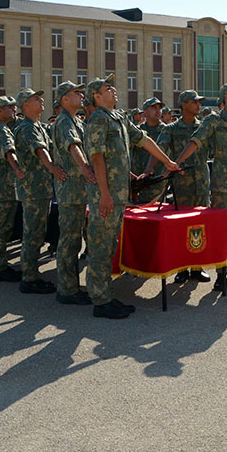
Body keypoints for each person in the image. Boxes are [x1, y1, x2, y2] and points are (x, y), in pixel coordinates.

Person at [85, 74, 180, 317]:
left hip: (119, 193)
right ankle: (100, 300)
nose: (114, 89)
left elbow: (144, 140)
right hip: (105, 195)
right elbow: (97, 158)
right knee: (100, 245)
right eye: (108, 88)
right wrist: (105, 194)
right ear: (97, 96)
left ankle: (105, 294)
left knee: (110, 244)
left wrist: (167, 161)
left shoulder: (118, 117)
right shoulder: (98, 119)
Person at [174, 81, 227, 291]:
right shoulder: (213, 120)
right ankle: (221, 273)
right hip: (221, 186)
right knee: (221, 232)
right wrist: (177, 163)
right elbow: (196, 141)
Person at [154, 89, 212, 283]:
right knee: (182, 226)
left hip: (202, 183)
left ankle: (197, 267)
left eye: (199, 102)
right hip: (182, 185)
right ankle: (182, 268)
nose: (199, 105)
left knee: (200, 225)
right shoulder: (171, 129)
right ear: (184, 105)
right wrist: (150, 171)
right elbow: (159, 151)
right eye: (194, 102)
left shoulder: (205, 127)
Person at [14, 88, 67, 294]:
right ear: (26, 105)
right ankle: (29, 278)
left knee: (36, 231)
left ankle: (31, 274)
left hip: (41, 188)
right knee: (33, 233)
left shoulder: (38, 126)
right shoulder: (27, 128)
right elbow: (40, 149)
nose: (41, 100)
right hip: (33, 189)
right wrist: (53, 167)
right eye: (36, 99)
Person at [52, 81, 98, 304]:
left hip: (79, 190)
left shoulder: (76, 120)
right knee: (70, 240)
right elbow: (74, 146)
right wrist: (86, 169)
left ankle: (71, 285)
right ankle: (67, 289)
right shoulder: (63, 121)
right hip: (70, 190)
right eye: (76, 93)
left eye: (81, 92)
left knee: (75, 238)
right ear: (64, 99)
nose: (81, 95)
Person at [0, 95, 24, 282]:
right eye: (10, 107)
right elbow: (9, 151)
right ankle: (0, 267)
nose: (14, 110)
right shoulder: (0, 129)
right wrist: (18, 168)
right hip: (4, 185)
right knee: (2, 226)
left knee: (2, 226)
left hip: (2, 183)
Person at [134, 97, 168, 203]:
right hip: (139, 181)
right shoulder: (137, 131)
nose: (158, 111)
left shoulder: (166, 130)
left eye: (159, 108)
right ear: (145, 112)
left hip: (158, 180)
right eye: (154, 107)